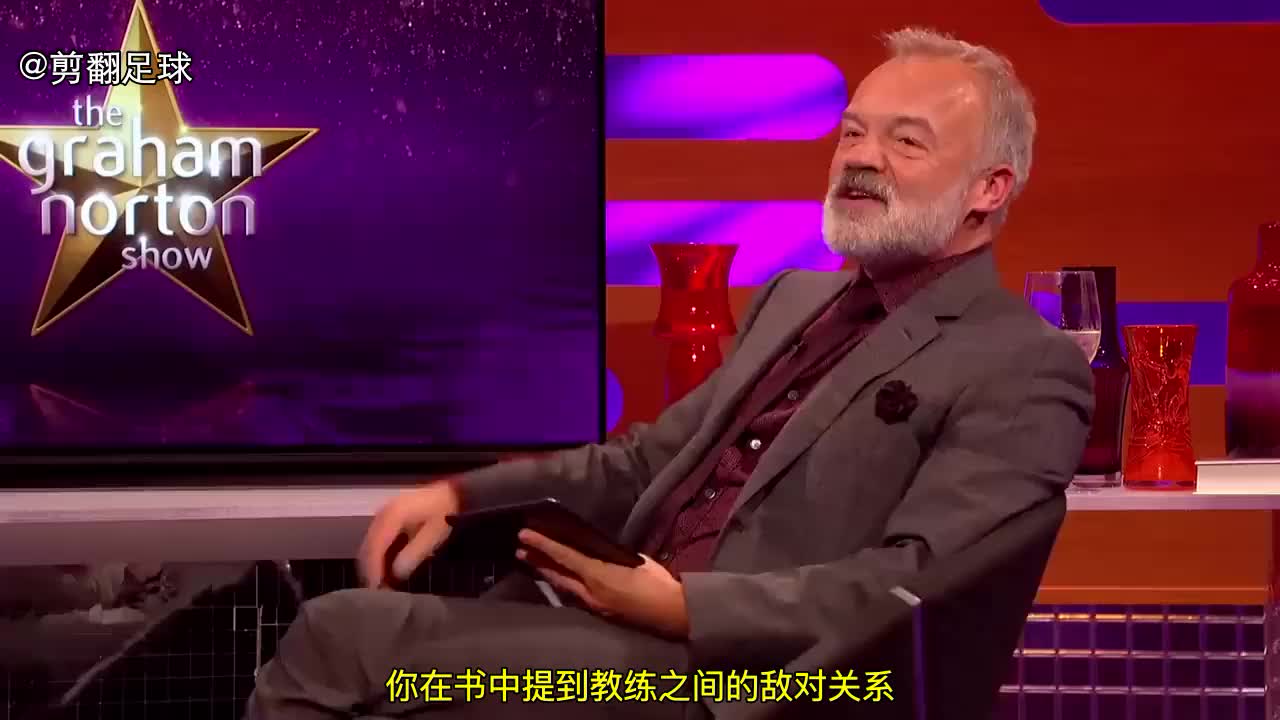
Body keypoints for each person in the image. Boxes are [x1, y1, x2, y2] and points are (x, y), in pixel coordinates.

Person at [246, 26, 1093, 720]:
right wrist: (460, 496)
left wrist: (684, 607)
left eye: (906, 141)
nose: (860, 158)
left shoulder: (1022, 363)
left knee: (341, 638)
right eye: (851, 132)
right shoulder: (795, 298)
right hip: (610, 632)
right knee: (397, 664)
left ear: (989, 188)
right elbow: (647, 460)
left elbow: (912, 588)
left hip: (746, 680)